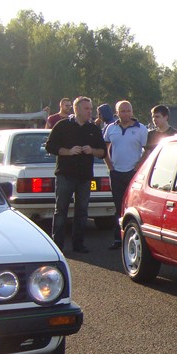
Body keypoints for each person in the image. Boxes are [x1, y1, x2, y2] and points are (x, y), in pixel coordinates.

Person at [45, 96, 106, 254]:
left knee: (82, 211)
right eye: (87, 109)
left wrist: (91, 150)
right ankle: (57, 245)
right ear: (76, 109)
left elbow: (103, 152)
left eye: (91, 109)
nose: (90, 112)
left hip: (85, 177)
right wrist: (68, 152)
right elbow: (50, 146)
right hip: (65, 175)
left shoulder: (93, 129)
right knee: (61, 210)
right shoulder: (62, 126)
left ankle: (78, 244)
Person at [103, 100, 148, 250]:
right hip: (116, 173)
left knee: (133, 206)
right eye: (123, 111)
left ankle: (134, 237)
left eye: (128, 111)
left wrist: (138, 167)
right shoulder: (111, 128)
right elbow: (105, 148)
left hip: (133, 173)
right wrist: (110, 166)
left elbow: (147, 151)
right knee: (118, 206)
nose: (126, 114)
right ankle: (118, 238)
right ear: (117, 113)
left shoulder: (141, 129)